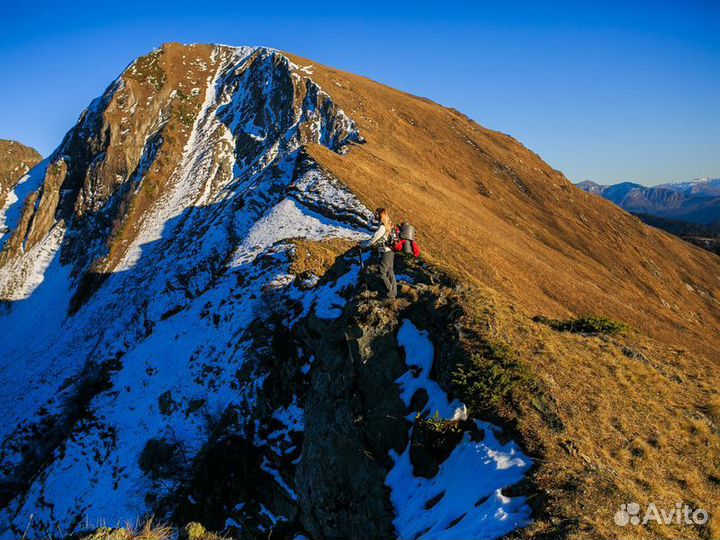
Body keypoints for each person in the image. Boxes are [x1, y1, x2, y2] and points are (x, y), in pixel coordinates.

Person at [361, 207, 397, 299]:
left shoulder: (382, 227)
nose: (374, 215)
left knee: (381, 273)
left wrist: (363, 244)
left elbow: (373, 239)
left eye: (376, 214)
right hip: (390, 251)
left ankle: (389, 293)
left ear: (380, 215)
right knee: (390, 272)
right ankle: (393, 293)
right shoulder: (389, 224)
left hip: (385, 251)